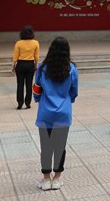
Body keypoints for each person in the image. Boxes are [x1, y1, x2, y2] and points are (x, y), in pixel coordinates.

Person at [33, 37, 78, 191]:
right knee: (60, 147)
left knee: (46, 146)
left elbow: (37, 88)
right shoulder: (71, 69)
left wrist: (39, 99)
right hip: (63, 113)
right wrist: (66, 101)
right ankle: (57, 179)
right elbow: (74, 91)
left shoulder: (42, 68)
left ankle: (46, 179)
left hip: (45, 112)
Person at [11, 25, 40, 110]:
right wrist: (36, 66)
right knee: (29, 84)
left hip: (20, 64)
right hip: (30, 64)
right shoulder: (35, 43)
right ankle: (28, 103)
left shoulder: (18, 43)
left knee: (20, 85)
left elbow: (15, 56)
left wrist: (13, 66)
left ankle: (20, 103)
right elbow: (36, 57)